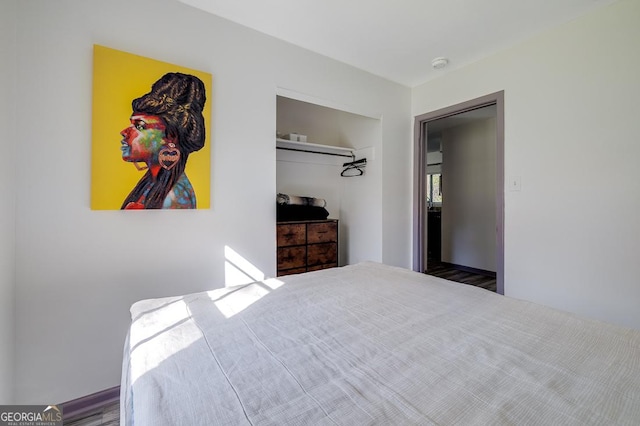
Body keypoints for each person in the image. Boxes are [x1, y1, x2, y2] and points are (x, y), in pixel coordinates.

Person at [119, 72, 206, 209]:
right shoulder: (153, 183)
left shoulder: (175, 197)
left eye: (140, 126)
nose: (124, 132)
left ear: (171, 136)